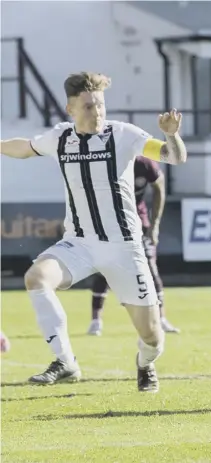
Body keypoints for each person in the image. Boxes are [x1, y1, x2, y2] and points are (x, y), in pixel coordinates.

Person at [0, 72, 187, 392]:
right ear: (70, 109)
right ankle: (65, 361)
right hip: (79, 242)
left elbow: (175, 157)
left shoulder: (124, 134)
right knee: (36, 278)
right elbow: (25, 147)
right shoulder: (60, 137)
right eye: (88, 107)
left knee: (152, 336)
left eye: (99, 105)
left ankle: (145, 363)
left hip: (125, 247)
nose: (97, 112)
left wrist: (171, 135)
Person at [88, 157, 180, 336]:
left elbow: (159, 187)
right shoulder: (107, 161)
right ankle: (95, 321)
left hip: (139, 222)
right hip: (110, 223)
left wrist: (155, 226)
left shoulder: (144, 164)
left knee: (150, 269)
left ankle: (161, 319)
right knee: (105, 269)